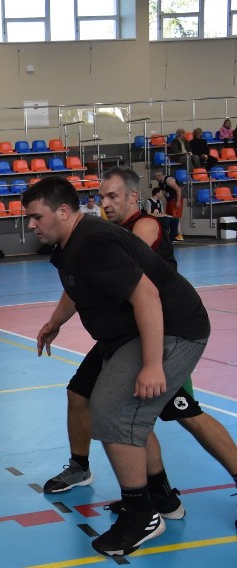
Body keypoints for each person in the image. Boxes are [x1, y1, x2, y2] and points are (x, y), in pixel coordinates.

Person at [25, 176, 210, 557]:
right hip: (125, 335)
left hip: (175, 329)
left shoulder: (94, 241)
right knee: (108, 406)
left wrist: (153, 365)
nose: (31, 224)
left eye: (35, 217)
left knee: (112, 411)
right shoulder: (70, 243)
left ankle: (143, 515)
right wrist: (55, 322)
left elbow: (147, 294)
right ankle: (160, 501)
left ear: (63, 211)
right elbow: (77, 288)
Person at [152, 169, 184, 241]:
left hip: (175, 199)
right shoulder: (160, 183)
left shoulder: (169, 180)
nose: (155, 179)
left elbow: (178, 190)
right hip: (169, 200)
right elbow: (163, 192)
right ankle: (173, 234)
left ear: (159, 176)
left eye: (155, 177)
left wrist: (178, 201)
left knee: (175, 216)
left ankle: (179, 234)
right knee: (169, 216)